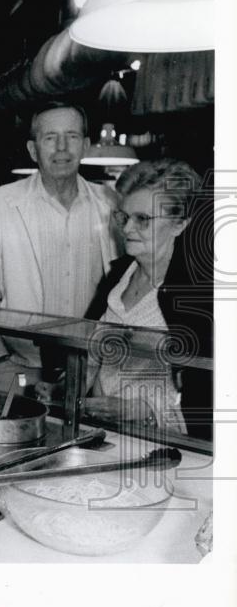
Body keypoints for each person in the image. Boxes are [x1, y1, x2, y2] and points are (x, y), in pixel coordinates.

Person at [0, 103, 118, 391]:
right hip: (19, 367)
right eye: (50, 138)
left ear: (87, 146)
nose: (62, 148)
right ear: (33, 150)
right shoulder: (3, 202)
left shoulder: (109, 202)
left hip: (89, 369)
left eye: (72, 136)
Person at [83, 159, 213, 439]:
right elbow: (90, 353)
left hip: (162, 445)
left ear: (180, 224)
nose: (127, 229)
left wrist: (141, 411)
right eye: (124, 217)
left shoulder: (197, 295)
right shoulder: (118, 275)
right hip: (100, 433)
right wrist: (63, 385)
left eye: (143, 219)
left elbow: (209, 394)